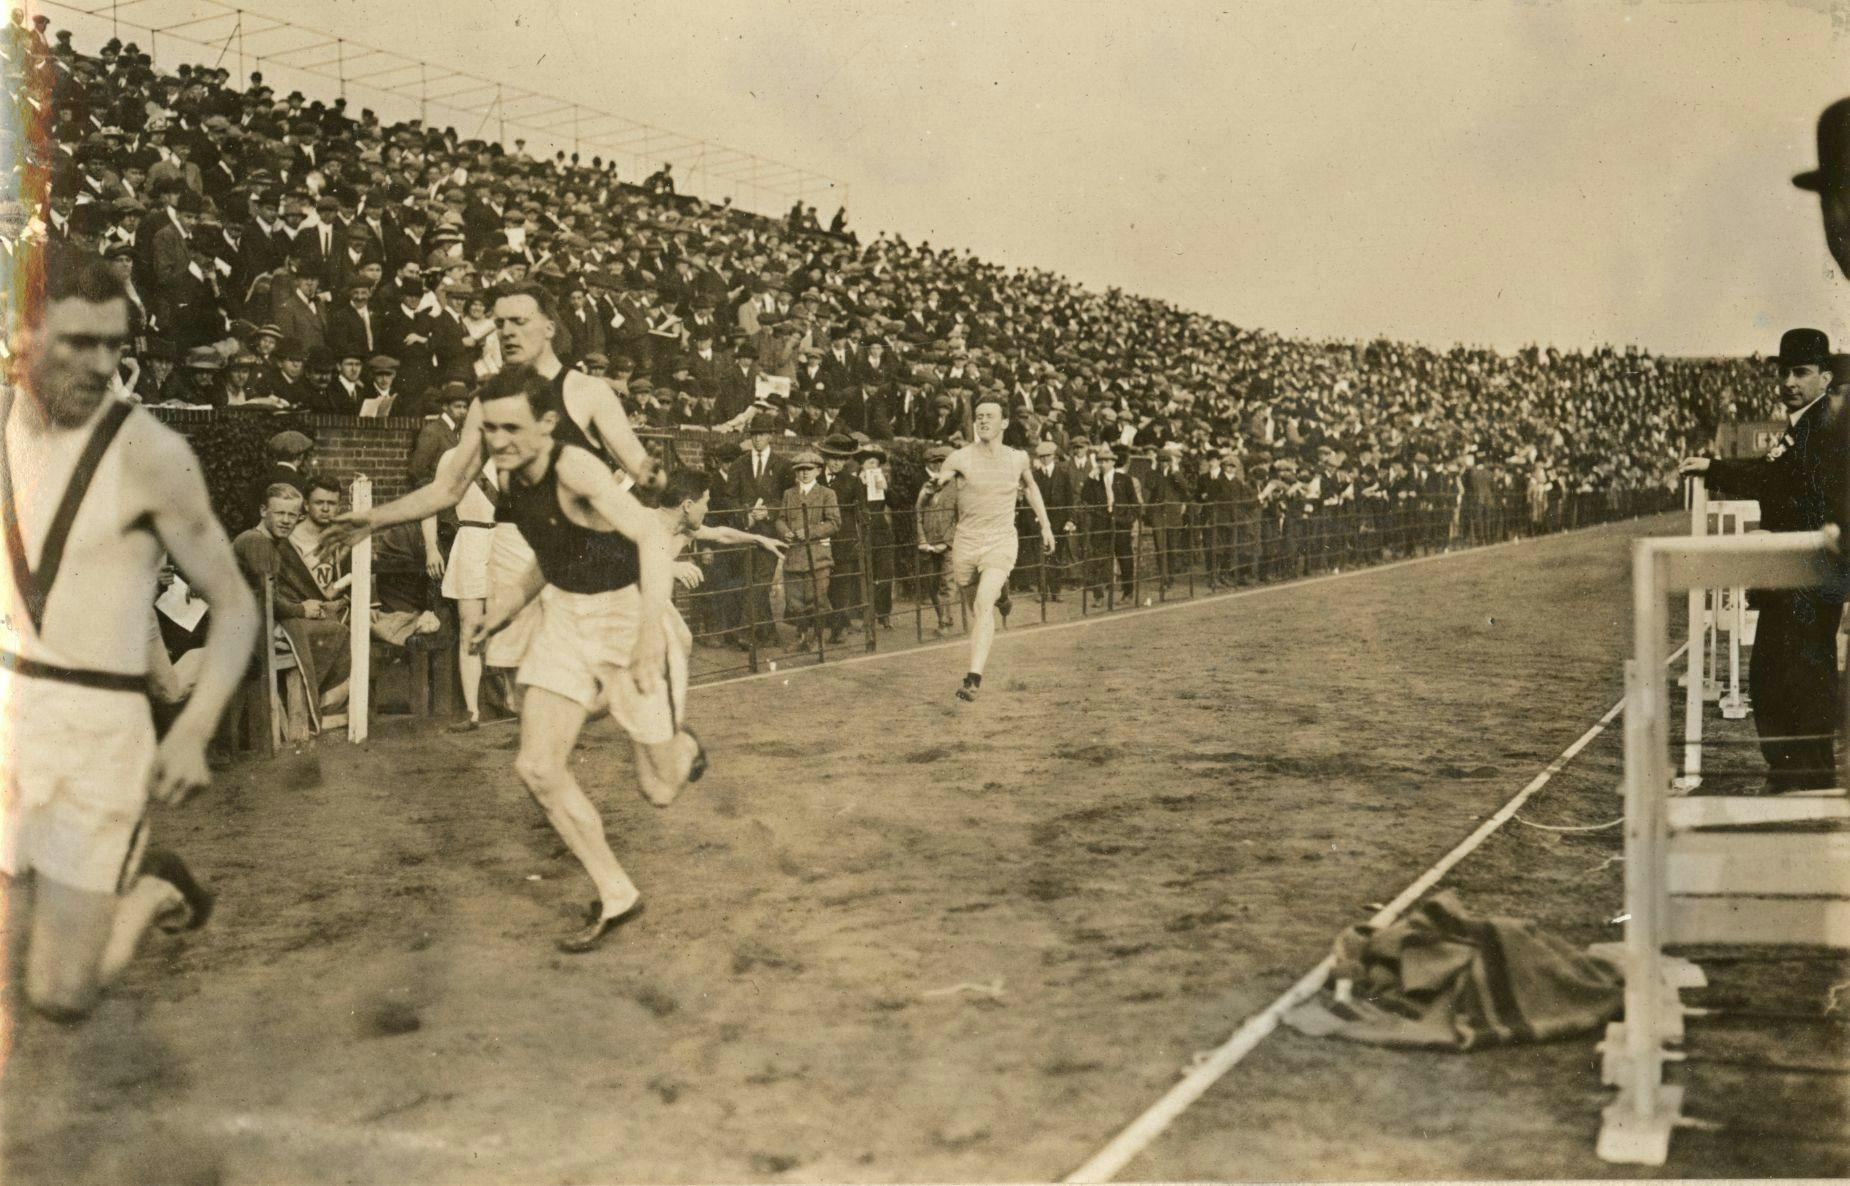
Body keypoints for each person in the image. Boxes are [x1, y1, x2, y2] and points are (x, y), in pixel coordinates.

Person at [1, 253, 258, 1022]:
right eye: (79, 343)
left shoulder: (153, 455)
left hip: (101, 730)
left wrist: (193, 730)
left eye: (116, 345)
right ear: (24, 335)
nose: (103, 365)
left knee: (60, 994)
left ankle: (148, 889)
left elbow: (235, 605)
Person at [318, 282, 664, 695]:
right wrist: (374, 518)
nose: (507, 332)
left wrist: (651, 479)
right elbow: (448, 487)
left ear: (550, 327)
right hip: (520, 548)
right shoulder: (487, 403)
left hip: (588, 554)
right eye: (500, 323)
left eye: (520, 321)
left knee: (607, 688)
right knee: (533, 689)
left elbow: (640, 468)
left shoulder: (588, 391)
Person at [461, 367, 702, 953]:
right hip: (570, 619)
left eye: (510, 427)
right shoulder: (513, 476)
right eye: (488, 428)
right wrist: (508, 606)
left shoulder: (577, 467)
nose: (497, 441)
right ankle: (617, 894)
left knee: (663, 788)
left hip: (630, 617)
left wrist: (649, 638)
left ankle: (683, 746)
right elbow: (552, 553)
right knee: (537, 767)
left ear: (545, 423)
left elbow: (652, 537)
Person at [1678, 328, 1848, 790]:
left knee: (1796, 683)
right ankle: (1794, 777)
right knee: (1778, 681)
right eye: (1784, 371)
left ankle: (1804, 781)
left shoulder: (1822, 429)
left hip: (1807, 577)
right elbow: (1773, 475)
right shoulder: (1803, 426)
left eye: (1802, 372)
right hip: (1791, 575)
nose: (1789, 381)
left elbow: (1772, 479)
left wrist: (1714, 469)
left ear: (1825, 378)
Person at [927, 399, 1055, 702]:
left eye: (990, 417)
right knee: (976, 608)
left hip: (1000, 539)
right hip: (967, 543)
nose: (983, 421)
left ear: (1004, 423)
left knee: (984, 605)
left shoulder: (1017, 458)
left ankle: (973, 677)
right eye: (979, 417)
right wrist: (936, 486)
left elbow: (1031, 488)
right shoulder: (959, 458)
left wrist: (1046, 526)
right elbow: (942, 481)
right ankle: (1003, 591)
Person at [775, 449, 837, 651]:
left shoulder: (827, 494)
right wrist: (785, 531)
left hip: (817, 556)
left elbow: (834, 523)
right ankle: (801, 638)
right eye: (800, 469)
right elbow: (781, 519)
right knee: (795, 601)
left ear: (818, 471)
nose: (804, 473)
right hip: (794, 556)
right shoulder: (789, 494)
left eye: (809, 469)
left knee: (817, 598)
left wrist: (809, 532)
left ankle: (816, 639)